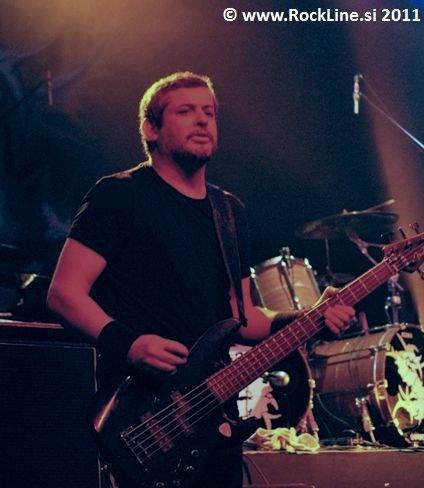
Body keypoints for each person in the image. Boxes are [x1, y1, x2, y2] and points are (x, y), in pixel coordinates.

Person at [47, 71, 355, 488]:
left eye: (209, 112)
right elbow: (64, 293)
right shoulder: (119, 196)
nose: (202, 120)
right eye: (185, 111)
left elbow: (243, 319)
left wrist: (311, 317)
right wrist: (129, 344)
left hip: (212, 419)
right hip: (142, 414)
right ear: (151, 129)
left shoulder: (229, 212)